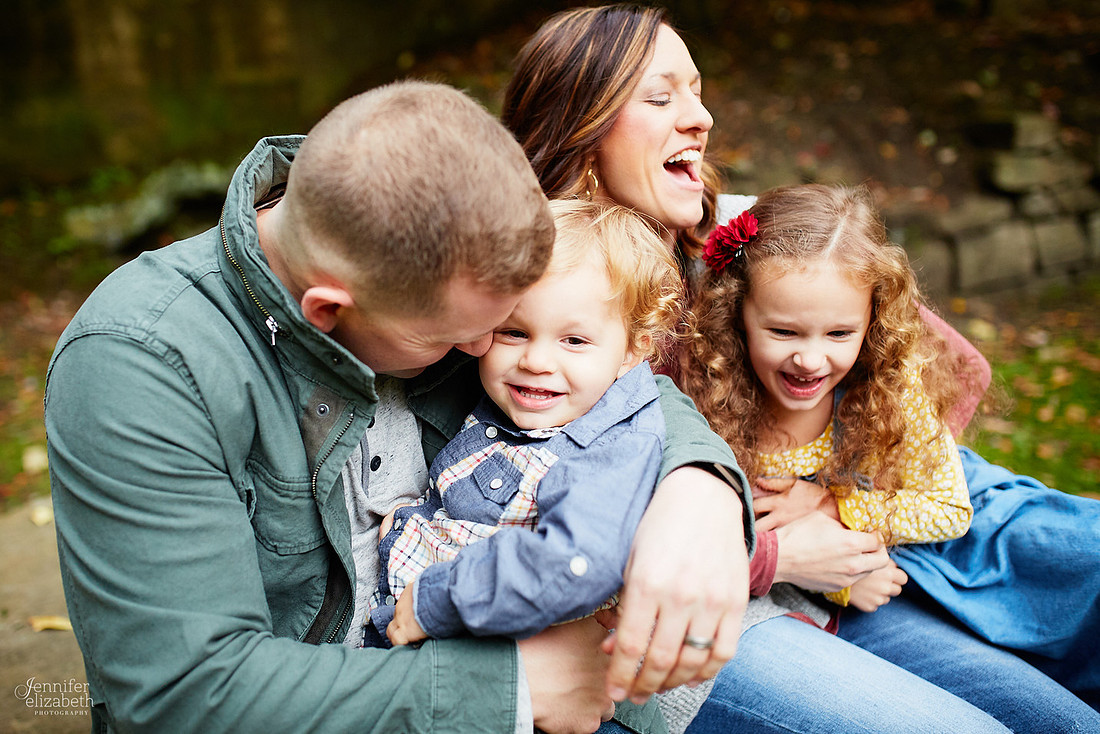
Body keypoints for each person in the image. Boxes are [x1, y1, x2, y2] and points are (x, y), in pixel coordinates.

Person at [45, 80, 752, 734]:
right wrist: (512, 687)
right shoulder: (140, 364)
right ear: (328, 310)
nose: (486, 349)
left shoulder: (446, 233)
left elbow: (618, 381)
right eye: (457, 336)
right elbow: (185, 693)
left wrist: (702, 488)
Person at [502, 5, 1098, 732]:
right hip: (718, 600)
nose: (701, 118)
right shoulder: (533, 295)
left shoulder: (727, 243)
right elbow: (540, 509)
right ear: (578, 128)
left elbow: (924, 361)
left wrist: (840, 496)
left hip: (855, 531)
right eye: (660, 97)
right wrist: (779, 553)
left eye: (696, 91)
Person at [368, 199, 683, 648]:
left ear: (633, 351)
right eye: (514, 332)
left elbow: (572, 562)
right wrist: (412, 523)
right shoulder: (527, 402)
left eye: (574, 341)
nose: (535, 361)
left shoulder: (612, 448)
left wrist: (438, 601)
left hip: (480, 657)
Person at [683, 185, 975, 611]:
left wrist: (830, 505)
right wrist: (842, 585)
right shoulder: (709, 392)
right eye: (783, 332)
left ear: (873, 319)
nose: (810, 360)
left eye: (839, 333)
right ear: (736, 312)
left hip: (934, 563)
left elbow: (950, 509)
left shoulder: (891, 388)